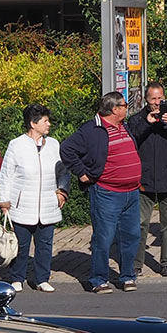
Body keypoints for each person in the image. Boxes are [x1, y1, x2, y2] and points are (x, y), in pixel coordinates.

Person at [62, 91, 143, 292]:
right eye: (124, 105)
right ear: (114, 109)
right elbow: (66, 149)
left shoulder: (124, 126)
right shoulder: (91, 130)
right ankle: (98, 279)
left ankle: (127, 276)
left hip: (131, 193)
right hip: (107, 192)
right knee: (104, 237)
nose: (127, 108)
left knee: (131, 236)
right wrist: (81, 173)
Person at [0, 104, 65, 291]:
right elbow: (6, 174)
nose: (48, 124)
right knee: (21, 245)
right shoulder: (16, 145)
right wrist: (4, 201)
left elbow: (61, 171)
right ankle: (17, 277)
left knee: (45, 244)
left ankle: (42, 279)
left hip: (48, 204)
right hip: (22, 204)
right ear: (33, 124)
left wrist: (62, 191)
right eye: (45, 120)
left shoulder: (53, 144)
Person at [126, 81, 167, 277]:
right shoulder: (137, 119)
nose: (156, 103)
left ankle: (166, 263)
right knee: (141, 223)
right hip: (144, 178)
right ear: (146, 100)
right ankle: (137, 264)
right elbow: (132, 138)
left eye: (159, 98)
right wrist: (147, 122)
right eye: (153, 99)